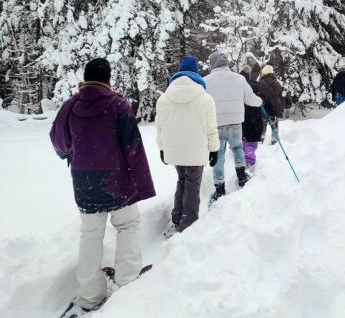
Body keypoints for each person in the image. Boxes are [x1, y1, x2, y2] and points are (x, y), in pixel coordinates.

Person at [49, 58, 156, 312]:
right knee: (128, 225)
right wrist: (141, 183)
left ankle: (89, 294)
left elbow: (58, 141)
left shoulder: (71, 106)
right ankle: (128, 281)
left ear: (85, 79)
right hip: (118, 180)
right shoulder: (119, 105)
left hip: (85, 183)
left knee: (90, 234)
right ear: (108, 79)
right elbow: (134, 148)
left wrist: (69, 154)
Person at [155, 56, 220, 231]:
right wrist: (214, 150)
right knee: (192, 185)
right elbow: (211, 129)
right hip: (196, 153)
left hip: (174, 152)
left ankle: (177, 217)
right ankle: (188, 223)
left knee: (182, 180)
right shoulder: (206, 99)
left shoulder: (163, 99)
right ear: (196, 73)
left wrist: (162, 149)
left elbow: (159, 129)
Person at [205, 51, 262, 201]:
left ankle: (219, 188)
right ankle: (242, 177)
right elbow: (251, 99)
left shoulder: (206, 81)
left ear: (213, 63)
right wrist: (260, 102)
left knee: (219, 155)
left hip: (216, 124)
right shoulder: (239, 79)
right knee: (238, 149)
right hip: (236, 122)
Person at [240, 65, 263, 176]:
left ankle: (241, 164)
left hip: (240, 118)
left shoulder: (237, 84)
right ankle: (249, 166)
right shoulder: (256, 86)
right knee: (250, 143)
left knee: (242, 142)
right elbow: (261, 101)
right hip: (254, 118)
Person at [259, 65, 284, 145]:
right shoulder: (277, 83)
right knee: (275, 126)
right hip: (275, 108)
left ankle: (261, 140)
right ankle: (275, 140)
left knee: (263, 125)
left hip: (265, 107)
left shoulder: (261, 82)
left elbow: (259, 95)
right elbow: (280, 96)